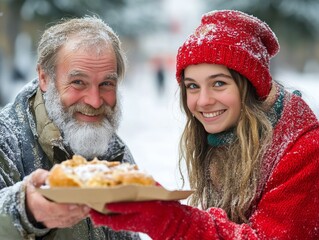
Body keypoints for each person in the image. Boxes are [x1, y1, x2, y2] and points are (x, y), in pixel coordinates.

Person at [89, 10, 319, 239]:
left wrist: (170, 218)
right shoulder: (230, 136)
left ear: (250, 87)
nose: (203, 101)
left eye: (219, 83)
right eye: (192, 86)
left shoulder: (306, 149)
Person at [0, 16, 140, 239]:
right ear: (45, 78)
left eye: (106, 84)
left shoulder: (114, 152)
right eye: (78, 82)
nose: (95, 101)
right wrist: (24, 210)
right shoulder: (7, 139)